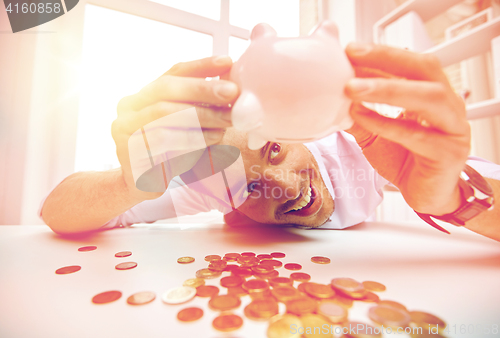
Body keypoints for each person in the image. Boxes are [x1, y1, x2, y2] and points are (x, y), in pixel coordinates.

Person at [40, 43, 500, 241]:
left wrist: (455, 201)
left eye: (274, 149)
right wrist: (130, 184)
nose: (280, 185)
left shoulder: (360, 143)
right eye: (250, 189)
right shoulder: (215, 183)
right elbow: (55, 213)